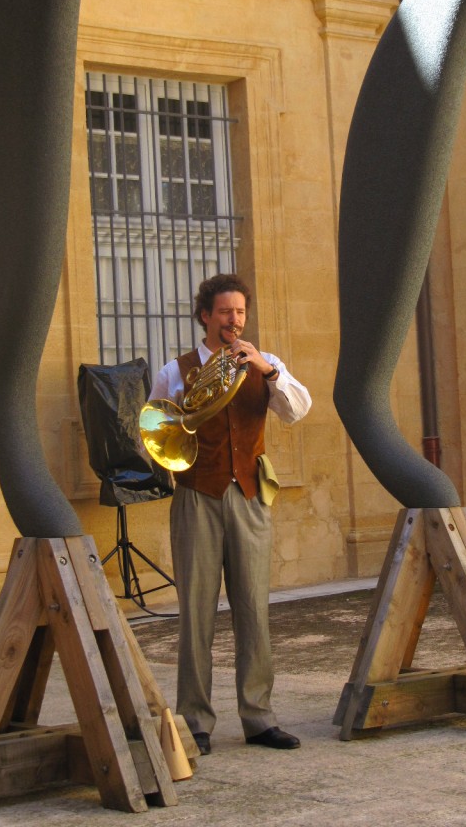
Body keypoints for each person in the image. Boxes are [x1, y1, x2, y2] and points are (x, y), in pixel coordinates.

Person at [149, 273, 311, 755]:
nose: (234, 320)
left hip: (249, 496)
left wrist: (268, 370)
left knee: (253, 609)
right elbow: (154, 433)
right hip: (197, 495)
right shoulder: (175, 371)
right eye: (225, 312)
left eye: (240, 312)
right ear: (205, 316)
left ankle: (259, 718)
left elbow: (298, 410)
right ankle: (195, 721)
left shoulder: (266, 363)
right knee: (196, 612)